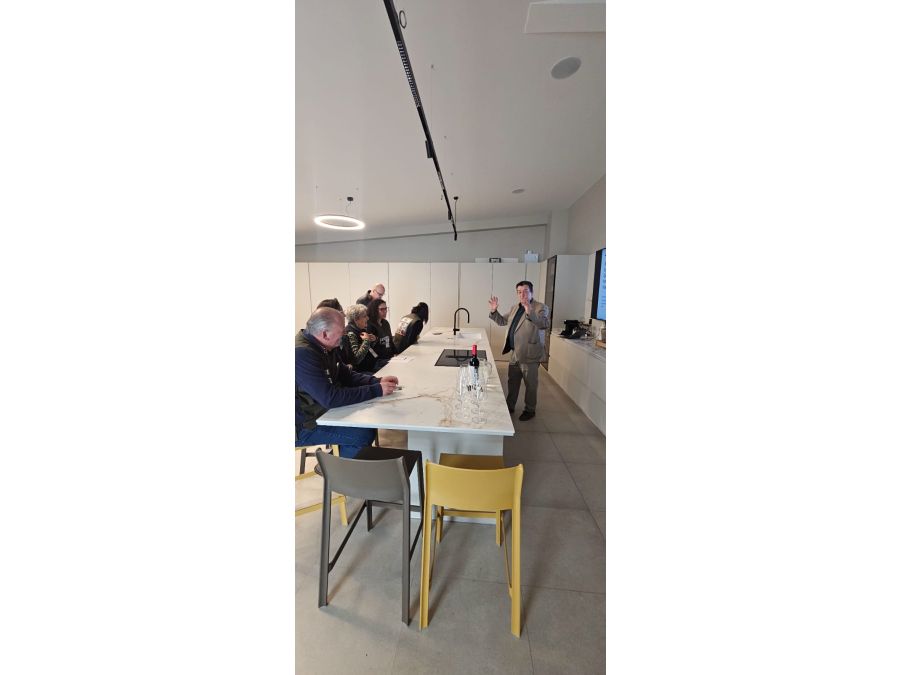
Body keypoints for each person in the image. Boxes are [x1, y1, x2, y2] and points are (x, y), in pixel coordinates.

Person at [296, 307, 399, 458]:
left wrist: (376, 381)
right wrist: (376, 390)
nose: (345, 333)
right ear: (325, 334)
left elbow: (346, 375)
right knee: (362, 433)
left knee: (366, 422)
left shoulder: (325, 345)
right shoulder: (302, 353)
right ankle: (333, 469)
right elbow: (330, 398)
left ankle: (337, 460)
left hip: (317, 412)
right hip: (302, 426)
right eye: (341, 330)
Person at [488, 280, 550, 421]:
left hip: (530, 353)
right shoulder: (515, 307)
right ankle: (510, 406)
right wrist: (494, 311)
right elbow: (502, 321)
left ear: (531, 292)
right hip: (515, 352)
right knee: (512, 382)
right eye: (519, 292)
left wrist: (529, 311)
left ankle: (530, 410)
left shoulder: (541, 307)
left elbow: (544, 324)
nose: (522, 295)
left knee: (530, 384)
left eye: (525, 291)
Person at [342, 303, 378, 372]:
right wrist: (366, 340)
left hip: (371, 366)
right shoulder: (350, 333)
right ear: (356, 319)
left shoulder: (360, 329)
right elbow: (356, 359)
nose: (368, 318)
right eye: (364, 316)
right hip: (361, 372)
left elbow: (368, 350)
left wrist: (373, 340)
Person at [366, 298, 396, 371]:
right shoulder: (369, 325)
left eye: (386, 309)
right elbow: (369, 348)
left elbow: (390, 340)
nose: (385, 311)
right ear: (374, 310)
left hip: (389, 358)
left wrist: (396, 353)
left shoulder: (385, 323)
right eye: (382, 309)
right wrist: (377, 359)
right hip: (377, 361)